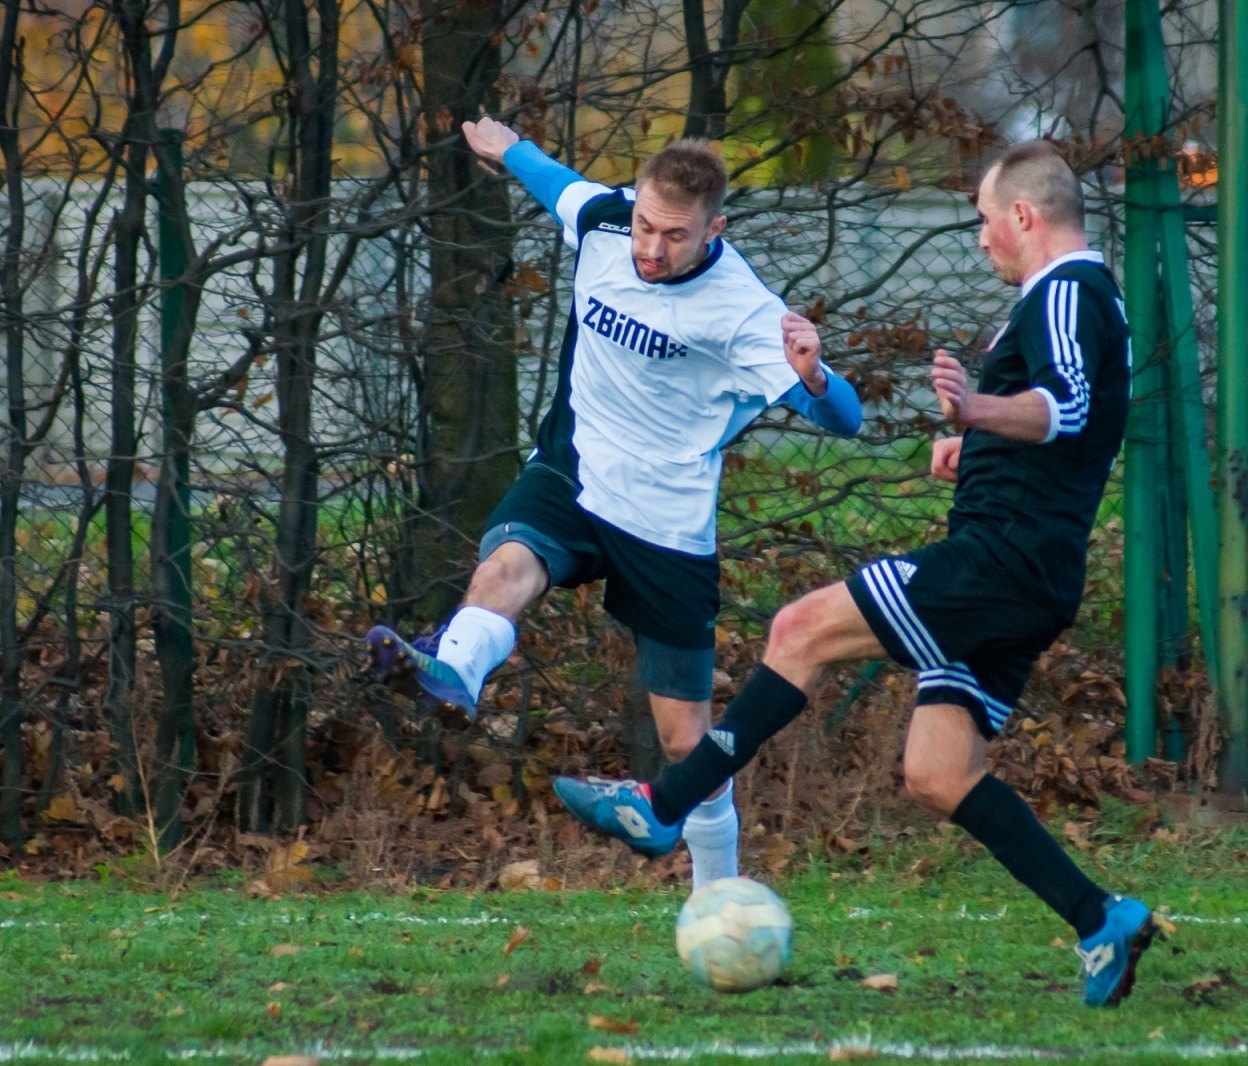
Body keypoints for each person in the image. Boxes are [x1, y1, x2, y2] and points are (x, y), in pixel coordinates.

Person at [552, 141, 1155, 1007]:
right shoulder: (1084, 302)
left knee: (798, 630)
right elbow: (1076, 430)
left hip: (1000, 563)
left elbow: (1071, 408)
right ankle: (1103, 919)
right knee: (939, 772)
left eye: (986, 220)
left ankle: (666, 803)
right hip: (1032, 570)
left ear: (1024, 216)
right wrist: (976, 446)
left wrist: (978, 409)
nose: (981, 239)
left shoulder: (1063, 290)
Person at [365, 122, 863, 891]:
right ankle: (456, 667)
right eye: (644, 226)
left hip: (665, 520)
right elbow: (555, 181)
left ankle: (717, 893)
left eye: (674, 236)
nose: (651, 250)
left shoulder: (745, 312)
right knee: (503, 569)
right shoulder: (605, 221)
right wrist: (510, 147)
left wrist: (819, 379)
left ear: (714, 230)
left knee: (683, 741)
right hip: (572, 470)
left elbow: (848, 422)